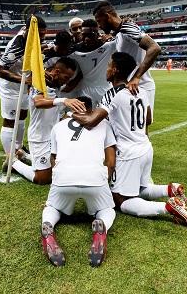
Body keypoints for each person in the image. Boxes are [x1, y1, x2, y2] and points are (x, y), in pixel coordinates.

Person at [70, 52, 187, 230]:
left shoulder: (111, 94)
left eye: (108, 66)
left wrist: (72, 113)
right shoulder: (141, 90)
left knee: (119, 199)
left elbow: (92, 121)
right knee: (139, 188)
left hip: (128, 153)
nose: (106, 70)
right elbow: (148, 119)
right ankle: (171, 189)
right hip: (145, 147)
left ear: (114, 70)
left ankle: (168, 207)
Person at [41, 96, 117, 267]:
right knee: (107, 209)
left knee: (52, 207)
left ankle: (48, 224)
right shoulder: (104, 124)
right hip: (95, 179)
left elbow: (54, 158)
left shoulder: (58, 126)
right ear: (91, 110)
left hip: (63, 179)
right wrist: (105, 183)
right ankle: (102, 224)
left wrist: (58, 183)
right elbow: (111, 161)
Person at [4, 57, 86, 185]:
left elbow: (69, 87)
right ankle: (12, 161)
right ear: (57, 72)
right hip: (39, 137)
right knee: (43, 179)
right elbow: (38, 102)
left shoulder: (56, 83)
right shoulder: (39, 83)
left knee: (59, 171)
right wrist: (64, 100)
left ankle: (24, 156)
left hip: (53, 136)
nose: (66, 81)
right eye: (66, 77)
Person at [93, 1, 162, 119]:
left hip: (141, 86)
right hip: (127, 86)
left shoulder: (127, 29)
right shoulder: (120, 33)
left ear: (107, 16)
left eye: (99, 21)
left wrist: (136, 77)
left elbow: (155, 48)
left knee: (140, 128)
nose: (99, 26)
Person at [0, 14, 46, 161]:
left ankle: (18, 148)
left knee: (22, 116)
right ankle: (9, 155)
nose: (43, 38)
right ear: (29, 32)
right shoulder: (16, 47)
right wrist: (25, 80)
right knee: (10, 120)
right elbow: (1, 71)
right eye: (40, 35)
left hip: (23, 86)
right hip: (11, 88)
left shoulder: (28, 36)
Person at [63, 19, 117, 105]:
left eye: (91, 35)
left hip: (105, 89)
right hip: (86, 90)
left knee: (109, 117)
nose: (87, 39)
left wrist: (126, 22)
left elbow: (126, 38)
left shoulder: (108, 45)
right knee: (84, 115)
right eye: (84, 35)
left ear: (98, 34)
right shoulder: (75, 50)